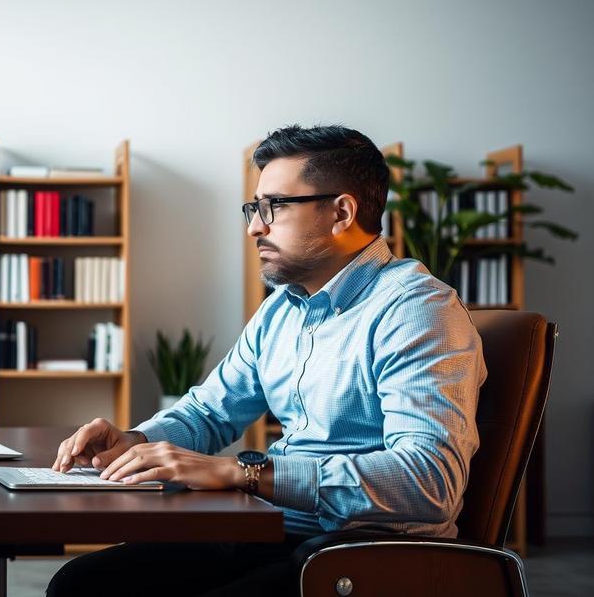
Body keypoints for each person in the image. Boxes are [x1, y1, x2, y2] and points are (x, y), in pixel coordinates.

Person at [46, 124, 487, 596]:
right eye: (254, 209)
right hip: (275, 529)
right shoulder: (282, 307)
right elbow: (210, 411)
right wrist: (135, 441)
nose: (255, 225)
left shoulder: (417, 311)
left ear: (342, 212)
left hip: (366, 552)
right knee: (81, 585)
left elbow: (428, 484)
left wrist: (246, 473)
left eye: (274, 207)